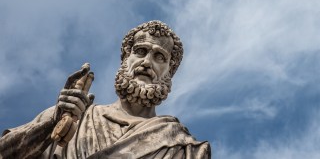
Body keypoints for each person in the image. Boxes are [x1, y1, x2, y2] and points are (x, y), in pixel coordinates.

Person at [0, 20, 211, 159]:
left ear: (169, 72)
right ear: (125, 60)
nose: (147, 62)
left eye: (159, 57)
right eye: (140, 51)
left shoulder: (183, 148)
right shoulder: (75, 116)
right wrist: (51, 125)